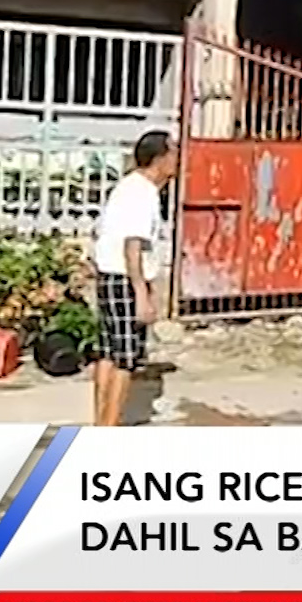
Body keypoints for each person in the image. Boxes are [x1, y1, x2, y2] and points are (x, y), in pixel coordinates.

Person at [92, 129, 178, 426]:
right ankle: (109, 425)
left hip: (108, 274)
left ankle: (100, 419)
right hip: (126, 278)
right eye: (173, 153)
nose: (177, 160)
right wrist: (142, 294)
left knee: (108, 351)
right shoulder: (143, 193)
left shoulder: (125, 187)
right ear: (160, 158)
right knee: (126, 358)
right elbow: (133, 245)